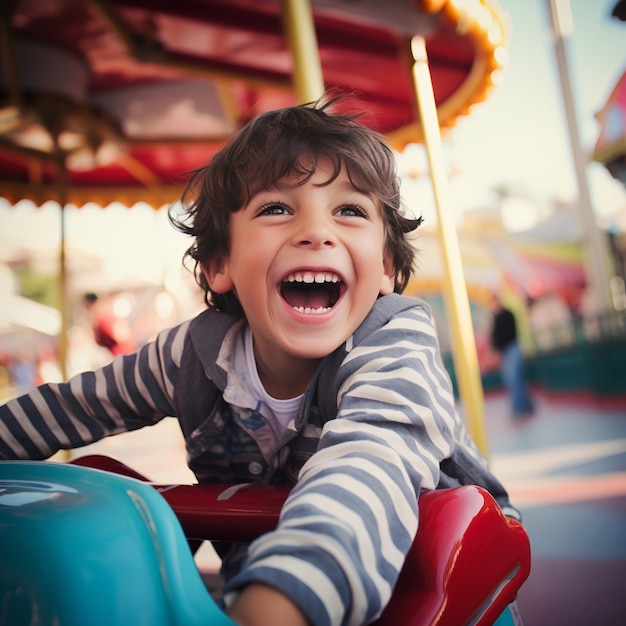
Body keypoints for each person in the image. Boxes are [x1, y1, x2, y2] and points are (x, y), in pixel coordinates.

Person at [0, 97, 520, 626]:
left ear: (386, 265)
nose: (317, 232)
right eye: (276, 208)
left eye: (350, 210)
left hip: (438, 582)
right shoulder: (191, 356)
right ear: (220, 263)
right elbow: (75, 406)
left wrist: (278, 603)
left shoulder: (392, 344)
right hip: (272, 574)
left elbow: (373, 461)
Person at [489, 293, 534, 418]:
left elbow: (505, 335)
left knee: (512, 378)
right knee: (516, 379)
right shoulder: (497, 316)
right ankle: (527, 405)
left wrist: (497, 348)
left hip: (512, 349)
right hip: (508, 350)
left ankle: (518, 409)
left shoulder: (507, 314)